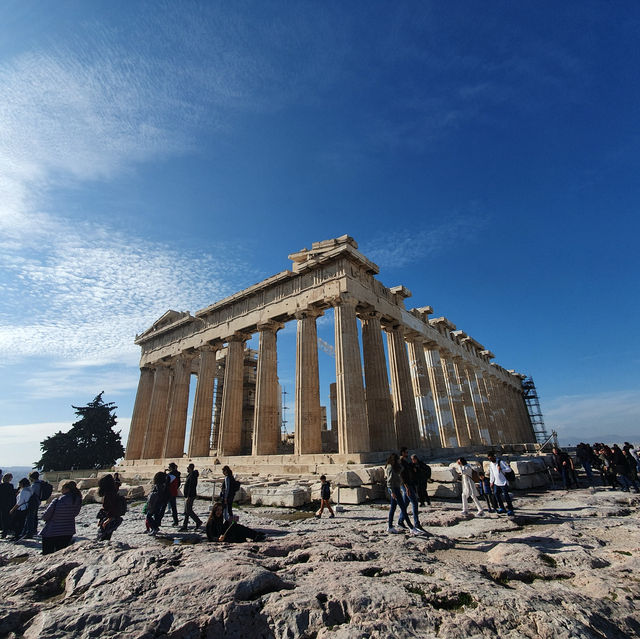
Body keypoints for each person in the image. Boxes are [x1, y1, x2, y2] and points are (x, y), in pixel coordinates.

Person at [385, 453, 424, 536]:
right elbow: (389, 481)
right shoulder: (390, 467)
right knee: (403, 508)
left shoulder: (396, 467)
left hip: (396, 488)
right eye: (398, 459)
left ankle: (390, 527)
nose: (399, 460)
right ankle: (411, 528)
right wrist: (392, 492)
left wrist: (402, 462)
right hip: (394, 490)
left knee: (393, 508)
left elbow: (401, 470)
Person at [40, 481, 82, 555]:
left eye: (62, 488)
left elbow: (45, 516)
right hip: (68, 530)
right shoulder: (77, 500)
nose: (61, 490)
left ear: (67, 489)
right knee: (60, 554)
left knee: (47, 554)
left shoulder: (57, 501)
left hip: (52, 531)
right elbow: (75, 513)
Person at [397, 447, 423, 532]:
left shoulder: (405, 461)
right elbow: (402, 475)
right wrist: (407, 487)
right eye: (406, 452)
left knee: (405, 503)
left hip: (408, 484)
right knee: (414, 502)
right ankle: (416, 523)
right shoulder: (401, 462)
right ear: (402, 453)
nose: (407, 454)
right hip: (406, 485)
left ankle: (400, 521)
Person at [96, 474, 123, 541]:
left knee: (103, 537)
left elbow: (112, 508)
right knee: (105, 536)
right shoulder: (112, 492)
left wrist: (108, 520)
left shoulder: (110, 494)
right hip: (108, 517)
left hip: (109, 518)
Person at [20, 471, 43, 539]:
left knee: (30, 518)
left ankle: (29, 533)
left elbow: (30, 495)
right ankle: (34, 530)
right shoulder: (41, 483)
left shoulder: (34, 485)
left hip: (32, 503)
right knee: (34, 517)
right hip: (38, 502)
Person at [180, 463, 202, 531]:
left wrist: (189, 496)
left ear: (190, 468)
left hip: (190, 495)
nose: (187, 469)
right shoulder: (191, 475)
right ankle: (185, 526)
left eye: (188, 468)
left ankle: (198, 521)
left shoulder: (192, 476)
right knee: (187, 511)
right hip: (189, 495)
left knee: (188, 510)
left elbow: (191, 487)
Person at [146, 471, 168, 535]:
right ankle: (155, 528)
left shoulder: (158, 485)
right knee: (156, 516)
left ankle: (154, 528)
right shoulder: (164, 484)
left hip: (155, 503)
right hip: (159, 502)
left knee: (149, 516)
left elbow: (158, 493)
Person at [0, 473, 16, 538]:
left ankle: (4, 531)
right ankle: (5, 531)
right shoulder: (10, 486)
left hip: (1, 504)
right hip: (8, 504)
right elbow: (12, 496)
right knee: (7, 518)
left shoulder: (1, 486)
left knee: (3, 518)